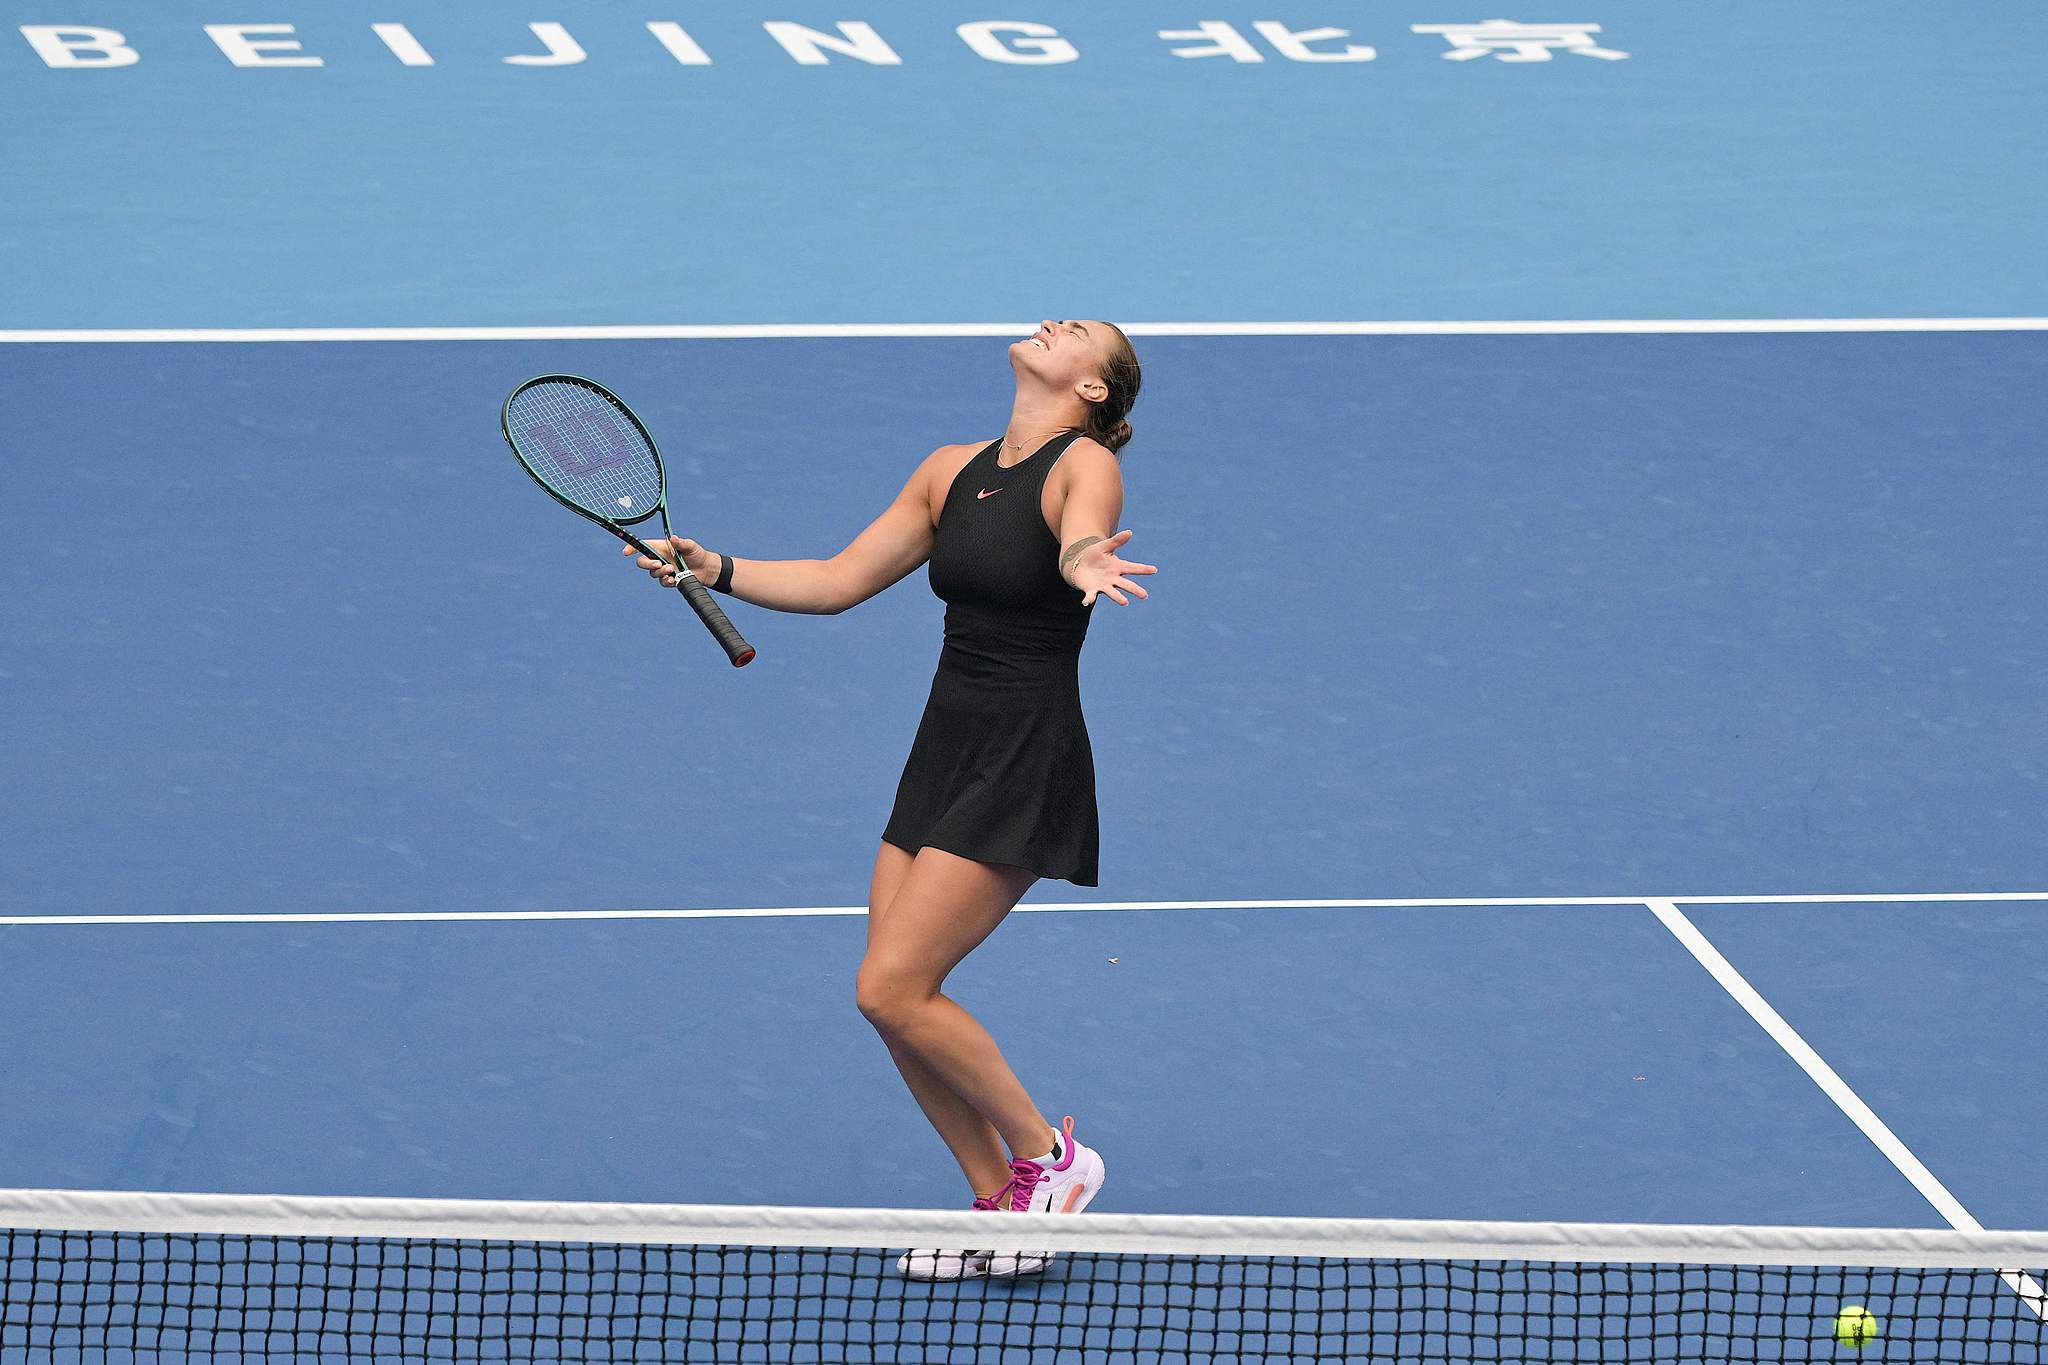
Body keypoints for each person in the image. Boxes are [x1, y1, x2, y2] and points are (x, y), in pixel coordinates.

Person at [630, 319, 1155, 1279]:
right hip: (943, 749)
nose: (1052, 326)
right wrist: (719, 570)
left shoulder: (1085, 466)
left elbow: (1083, 539)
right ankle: (1001, 1210)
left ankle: (1052, 1158)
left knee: (888, 985)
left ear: (1093, 388)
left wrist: (1085, 563)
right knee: (894, 999)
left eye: (1076, 333)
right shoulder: (948, 469)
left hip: (1022, 752)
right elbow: (838, 582)